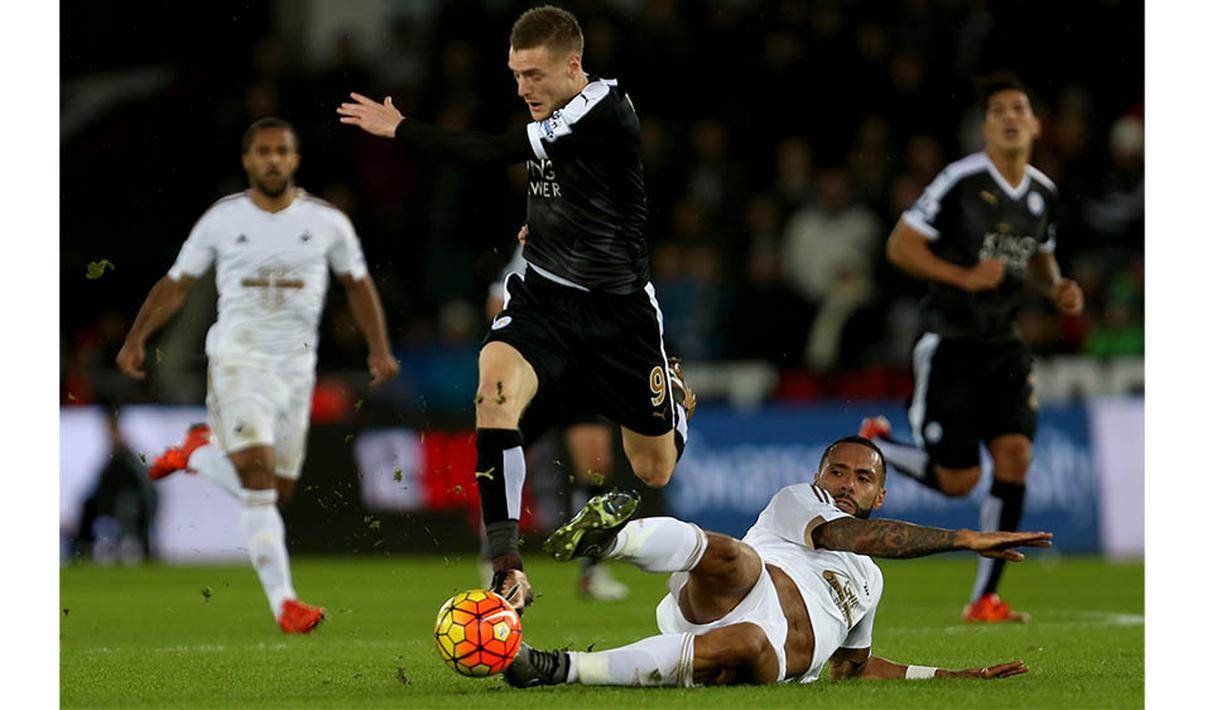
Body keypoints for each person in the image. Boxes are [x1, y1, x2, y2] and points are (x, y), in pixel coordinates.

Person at [337, 5, 695, 612]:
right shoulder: (557, 114)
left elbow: (488, 152)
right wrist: (544, 232)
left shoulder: (602, 108)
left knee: (653, 467)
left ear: (573, 65)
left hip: (620, 315)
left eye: (534, 74)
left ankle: (677, 402)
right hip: (545, 300)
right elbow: (572, 192)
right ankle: (506, 569)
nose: (523, 88)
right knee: (493, 394)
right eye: (515, 75)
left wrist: (402, 128)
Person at [115, 117, 400, 633]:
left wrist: (378, 348)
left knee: (277, 491)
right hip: (238, 360)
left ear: (295, 160)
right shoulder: (223, 220)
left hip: (296, 369)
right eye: (263, 151)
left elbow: (357, 284)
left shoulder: (328, 222)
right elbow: (177, 283)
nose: (273, 160)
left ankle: (199, 452)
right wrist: (137, 337)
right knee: (258, 476)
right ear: (248, 160)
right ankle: (285, 603)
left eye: (282, 151)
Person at [503, 436, 1047, 688]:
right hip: (733, 591)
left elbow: (852, 667)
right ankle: (607, 542)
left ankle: (554, 669)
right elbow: (850, 536)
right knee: (736, 557)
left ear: (880, 494)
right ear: (819, 475)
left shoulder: (871, 582)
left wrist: (955, 675)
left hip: (774, 660)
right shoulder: (799, 502)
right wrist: (963, 538)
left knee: (750, 643)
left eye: (863, 478)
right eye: (837, 471)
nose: (846, 483)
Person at [860, 73, 1084, 623]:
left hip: (1003, 343)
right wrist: (962, 277)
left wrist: (1056, 286)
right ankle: (882, 447)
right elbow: (901, 246)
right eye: (1000, 110)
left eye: (1020, 108)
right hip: (950, 341)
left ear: (1034, 124)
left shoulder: (1043, 194)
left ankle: (985, 597)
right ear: (986, 126)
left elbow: (1039, 258)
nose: (1010, 117)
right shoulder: (960, 181)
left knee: (1015, 456)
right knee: (959, 481)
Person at [483, 227, 627, 601]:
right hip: (539, 372)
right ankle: (496, 558)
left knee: (596, 462)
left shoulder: (610, 243)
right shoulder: (541, 239)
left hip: (582, 374)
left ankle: (591, 569)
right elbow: (497, 300)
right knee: (508, 454)